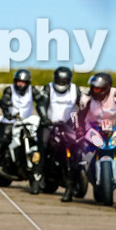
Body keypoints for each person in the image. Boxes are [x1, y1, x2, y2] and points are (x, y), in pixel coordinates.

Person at [0, 69, 43, 193]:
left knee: (39, 144)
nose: (20, 84)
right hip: (9, 123)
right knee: (0, 145)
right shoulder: (9, 89)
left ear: (27, 83)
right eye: (18, 81)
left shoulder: (32, 90)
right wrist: (7, 112)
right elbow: (4, 101)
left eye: (23, 82)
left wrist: (44, 112)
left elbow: (41, 101)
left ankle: (37, 176)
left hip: (26, 123)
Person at [36, 66, 83, 203]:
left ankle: (69, 185)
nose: (61, 82)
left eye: (64, 80)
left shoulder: (75, 89)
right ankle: (36, 179)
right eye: (59, 79)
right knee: (43, 147)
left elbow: (83, 105)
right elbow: (41, 104)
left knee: (73, 153)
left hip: (67, 126)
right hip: (48, 124)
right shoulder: (48, 88)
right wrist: (44, 118)